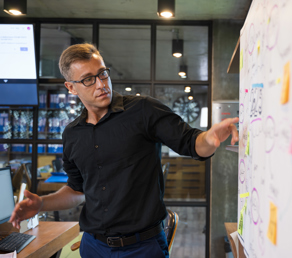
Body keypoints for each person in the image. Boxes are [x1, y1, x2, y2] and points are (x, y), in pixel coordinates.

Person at [9, 43, 239, 258]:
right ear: (71, 87)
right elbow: (77, 191)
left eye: (102, 73)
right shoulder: (72, 134)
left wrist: (209, 136)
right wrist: (42, 204)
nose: (101, 84)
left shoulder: (143, 110)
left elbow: (191, 142)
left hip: (143, 247)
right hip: (93, 246)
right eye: (88, 79)